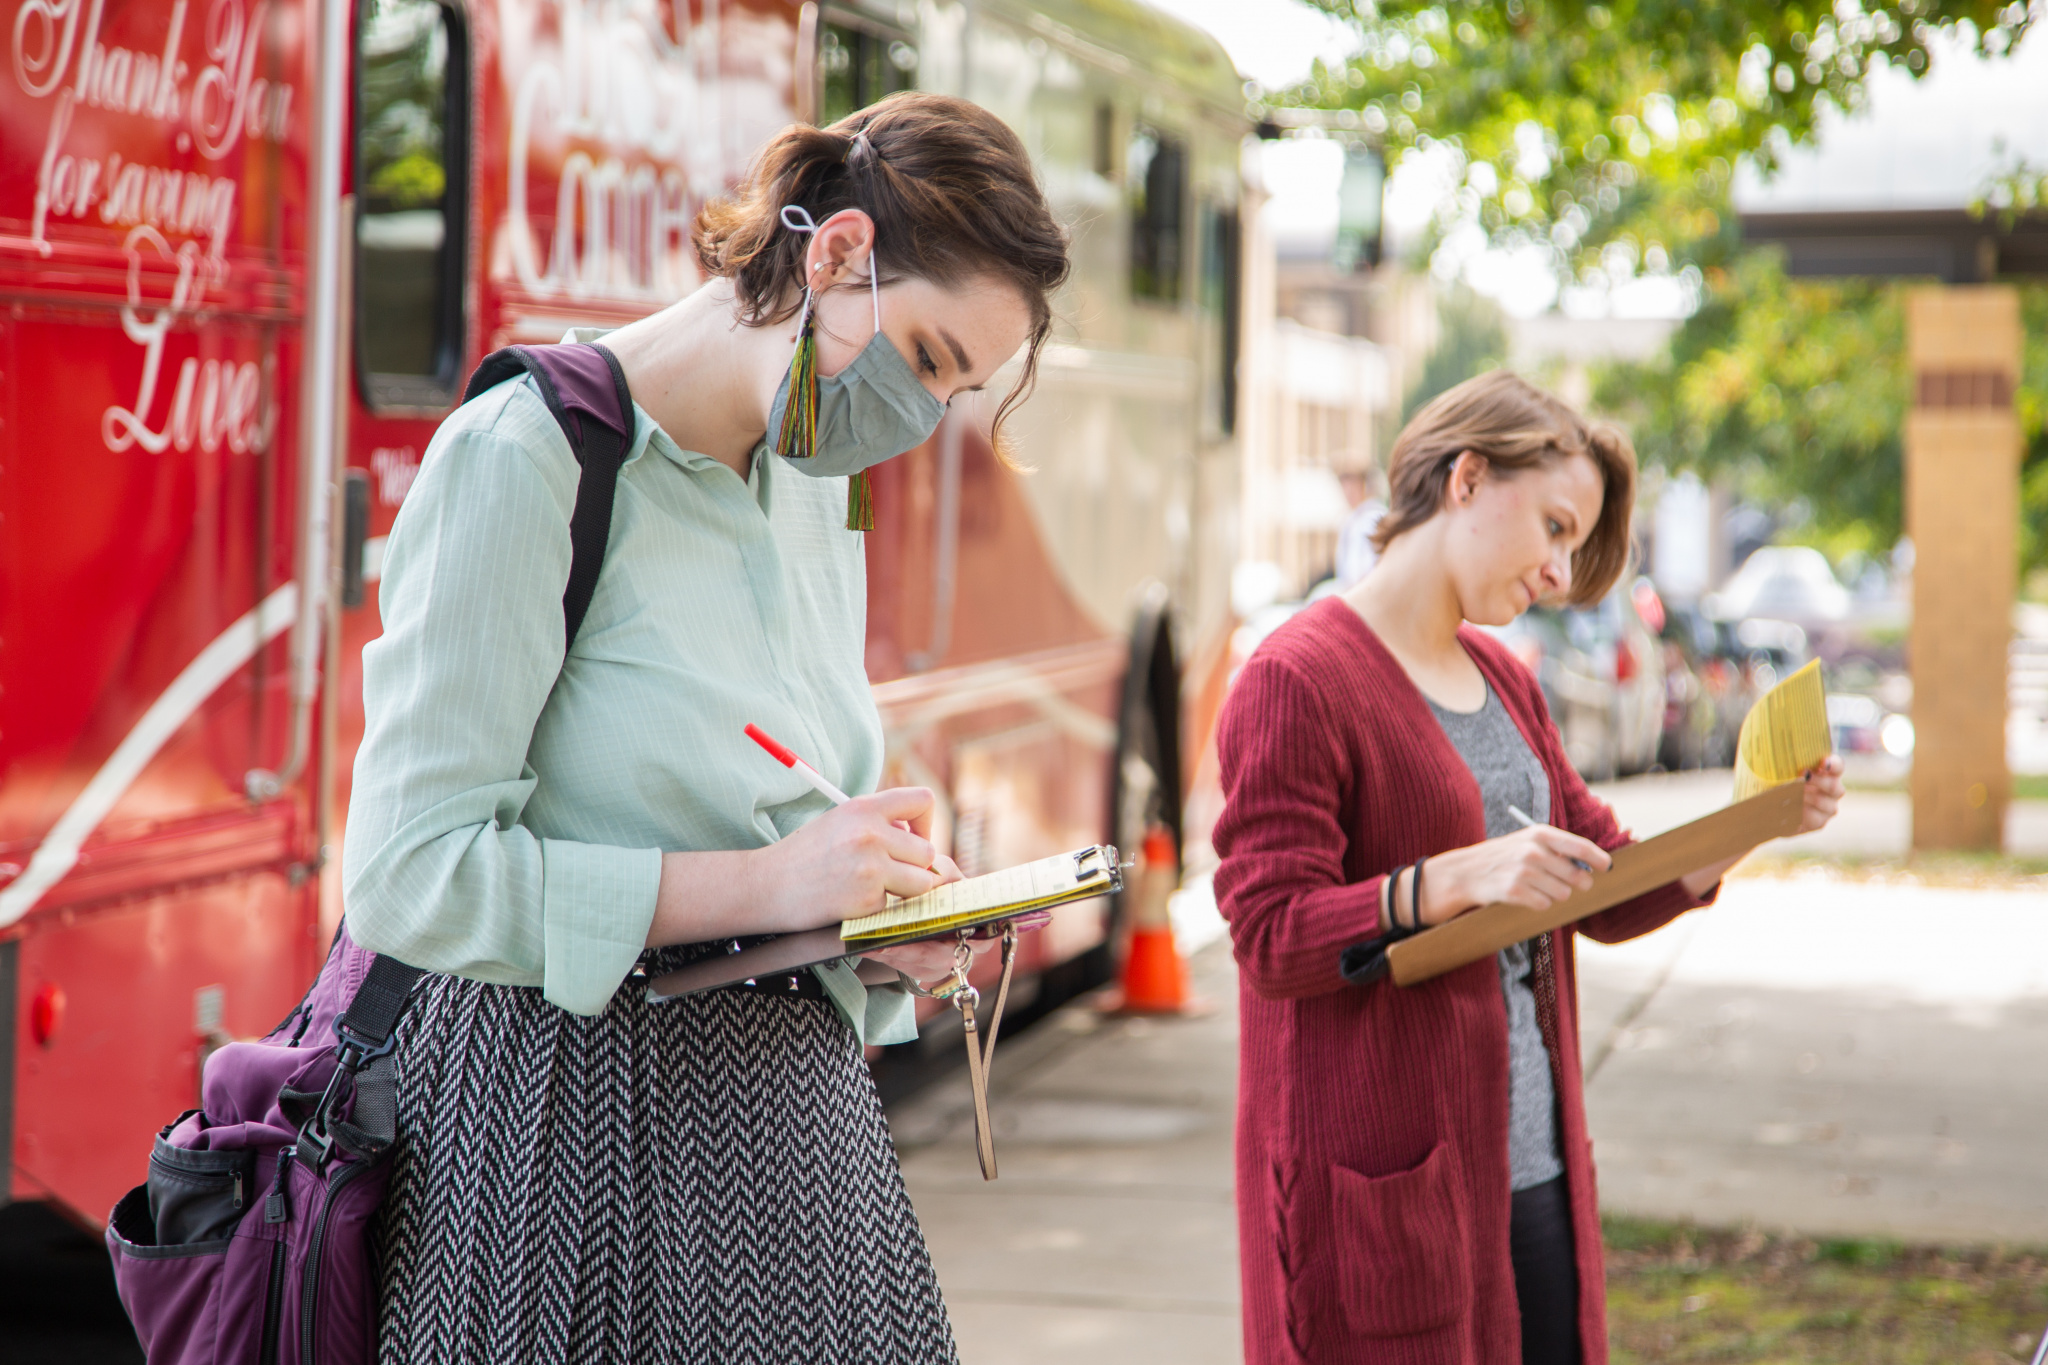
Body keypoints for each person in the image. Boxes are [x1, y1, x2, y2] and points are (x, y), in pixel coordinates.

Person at [343, 92, 1069, 1363]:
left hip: (798, 1161)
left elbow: (788, 813)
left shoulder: (802, 486)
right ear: (836, 254)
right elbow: (408, 877)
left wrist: (882, 925)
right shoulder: (527, 458)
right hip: (560, 1154)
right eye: (933, 357)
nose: (927, 409)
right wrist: (771, 879)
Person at [1212, 371, 1844, 1365]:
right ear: (1466, 479)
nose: (1558, 572)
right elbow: (1267, 937)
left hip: (1532, 1166)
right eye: (1553, 528)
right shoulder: (1296, 676)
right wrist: (1450, 880)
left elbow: (1598, 880)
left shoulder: (1503, 677)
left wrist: (1753, 823)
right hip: (1385, 1185)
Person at [1334, 461, 1388, 588]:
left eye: (1353, 487)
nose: (1348, 493)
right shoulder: (1350, 521)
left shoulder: (1374, 517)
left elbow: (1372, 567)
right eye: (1345, 488)